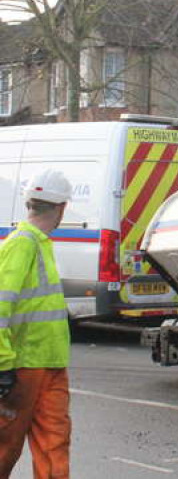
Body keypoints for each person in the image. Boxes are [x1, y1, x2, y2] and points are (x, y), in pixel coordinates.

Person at [0, 169, 73, 479]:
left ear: (29, 202)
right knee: (5, 447)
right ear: (61, 208)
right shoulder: (22, 244)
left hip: (50, 364)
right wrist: (3, 365)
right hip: (23, 367)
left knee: (54, 446)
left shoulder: (39, 243)